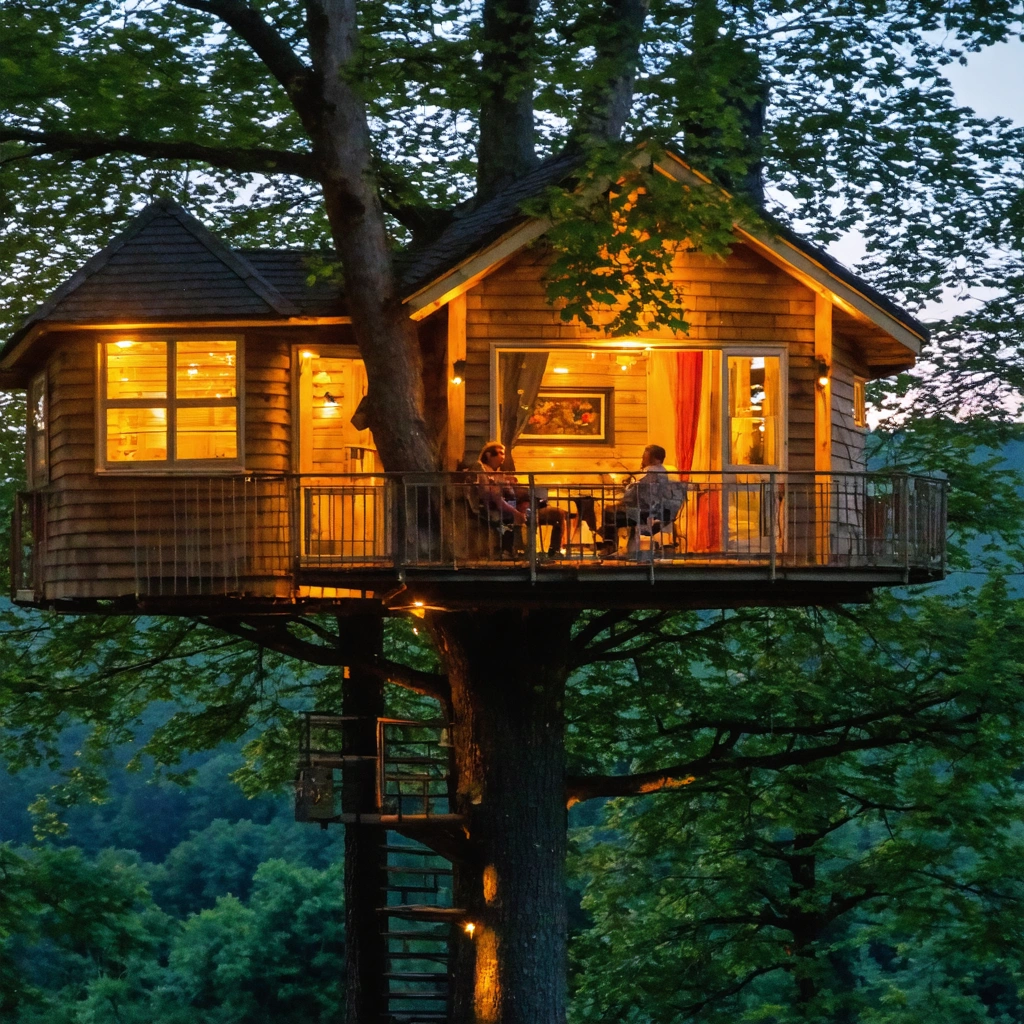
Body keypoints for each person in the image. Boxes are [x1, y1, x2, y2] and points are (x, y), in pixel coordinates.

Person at [475, 441, 567, 557]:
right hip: (513, 509)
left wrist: (510, 484)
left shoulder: (498, 474)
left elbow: (508, 493)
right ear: (488, 455)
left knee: (556, 511)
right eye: (500, 453)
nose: (503, 457)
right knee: (546, 508)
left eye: (504, 454)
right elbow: (497, 498)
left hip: (521, 505)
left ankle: (554, 550)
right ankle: (532, 552)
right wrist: (516, 510)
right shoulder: (484, 472)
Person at [599, 444, 681, 556]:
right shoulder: (664, 473)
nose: (643, 460)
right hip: (659, 512)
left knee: (609, 512)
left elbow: (632, 496)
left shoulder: (650, 473)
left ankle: (609, 545)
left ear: (655, 459)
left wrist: (627, 490)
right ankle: (622, 545)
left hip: (643, 514)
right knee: (616, 510)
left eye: (645, 457)